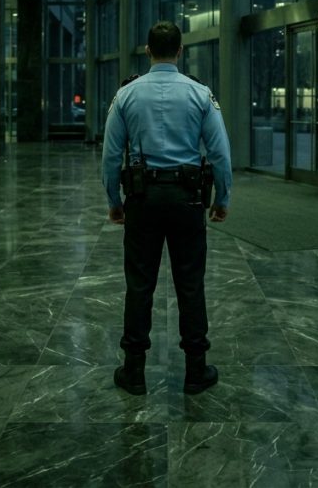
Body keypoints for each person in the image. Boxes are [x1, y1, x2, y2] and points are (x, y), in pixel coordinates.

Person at [101, 20, 232, 396]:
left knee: (139, 284)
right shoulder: (200, 94)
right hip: (188, 199)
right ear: (180, 51)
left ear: (147, 51)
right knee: (190, 284)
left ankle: (134, 371)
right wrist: (222, 199)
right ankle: (196, 370)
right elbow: (220, 153)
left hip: (142, 200)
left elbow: (111, 156)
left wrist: (114, 202)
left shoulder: (126, 96)